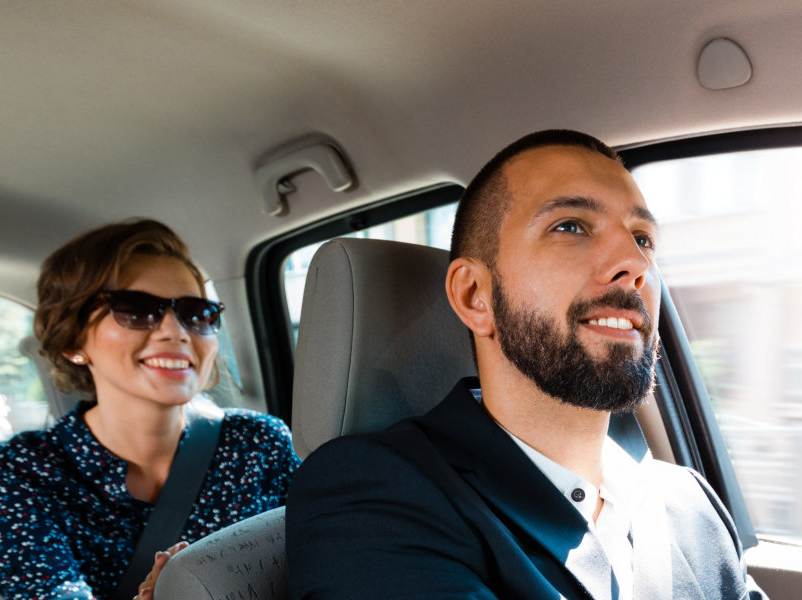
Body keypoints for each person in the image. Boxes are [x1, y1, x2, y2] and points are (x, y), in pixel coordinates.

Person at [288, 130, 767, 599]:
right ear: (476, 296)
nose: (635, 262)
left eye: (643, 238)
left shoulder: (690, 502)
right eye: (571, 227)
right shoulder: (375, 496)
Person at [0, 219, 300, 600]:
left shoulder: (259, 444)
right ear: (71, 340)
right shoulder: (18, 470)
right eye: (137, 309)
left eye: (196, 313)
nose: (175, 331)